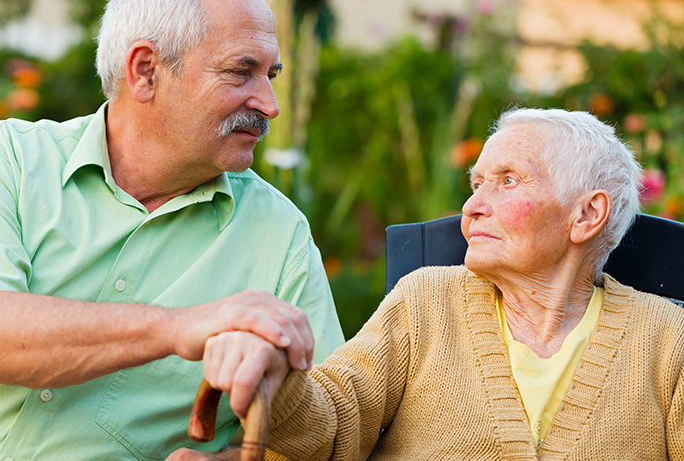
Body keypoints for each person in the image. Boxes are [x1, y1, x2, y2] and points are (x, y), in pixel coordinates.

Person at [0, 0, 344, 460]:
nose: (269, 103)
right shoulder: (0, 158)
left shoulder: (280, 234)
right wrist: (179, 327)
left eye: (271, 75)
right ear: (145, 71)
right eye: (241, 72)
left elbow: (329, 422)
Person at [189, 108, 684, 460]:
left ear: (586, 214)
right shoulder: (423, 302)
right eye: (476, 183)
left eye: (508, 181)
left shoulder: (668, 341)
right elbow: (335, 422)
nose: (472, 207)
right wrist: (280, 377)